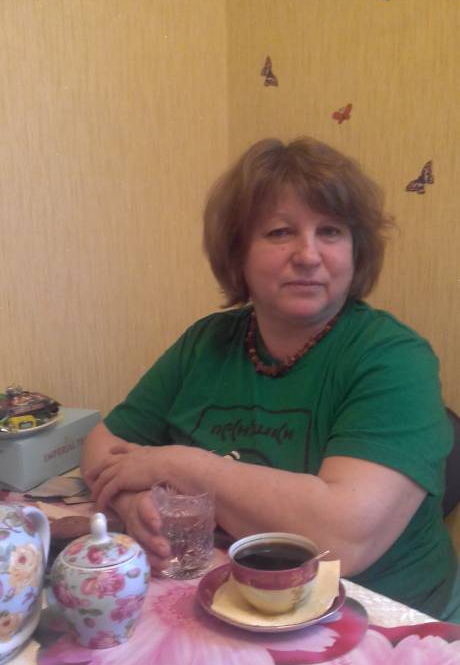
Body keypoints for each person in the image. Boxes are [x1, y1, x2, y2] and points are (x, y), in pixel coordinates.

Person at [81, 136, 459, 621]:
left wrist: (181, 466)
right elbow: (102, 447)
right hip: (232, 601)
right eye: (280, 232)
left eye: (330, 231)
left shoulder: (394, 358)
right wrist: (135, 500)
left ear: (356, 251)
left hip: (381, 621)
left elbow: (339, 539)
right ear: (237, 252)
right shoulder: (205, 342)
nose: (308, 254)